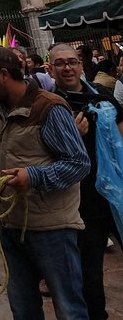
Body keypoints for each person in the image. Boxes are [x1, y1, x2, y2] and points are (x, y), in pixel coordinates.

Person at [0, 46, 91, 320]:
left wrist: (32, 177)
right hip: (11, 228)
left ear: (2, 75)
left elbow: (79, 164)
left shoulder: (49, 107)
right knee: (23, 309)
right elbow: (1, 167)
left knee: (69, 309)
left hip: (52, 230)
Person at [48, 43, 123, 320]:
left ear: (81, 64)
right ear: (51, 68)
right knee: (90, 271)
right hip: (83, 200)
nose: (67, 67)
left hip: (116, 192)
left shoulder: (103, 94)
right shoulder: (50, 103)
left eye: (72, 61)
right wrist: (72, 138)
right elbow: (44, 155)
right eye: (60, 63)